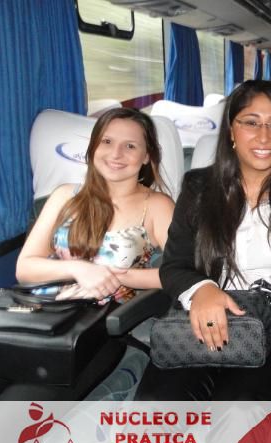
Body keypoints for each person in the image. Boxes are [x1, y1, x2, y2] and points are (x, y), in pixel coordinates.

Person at [135, 80, 271, 401]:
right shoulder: (198, 187)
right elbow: (175, 264)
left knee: (237, 411)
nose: (264, 136)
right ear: (231, 131)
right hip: (204, 319)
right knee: (160, 408)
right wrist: (202, 289)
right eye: (250, 122)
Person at [16, 108, 174, 303]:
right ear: (94, 147)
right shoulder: (64, 196)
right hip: (44, 311)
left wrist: (114, 276)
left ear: (146, 156)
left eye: (130, 146)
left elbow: (184, 273)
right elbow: (24, 269)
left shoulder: (157, 206)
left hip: (104, 317)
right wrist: (79, 269)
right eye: (107, 142)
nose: (116, 154)